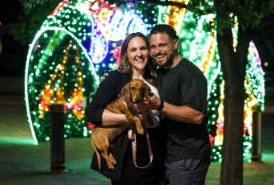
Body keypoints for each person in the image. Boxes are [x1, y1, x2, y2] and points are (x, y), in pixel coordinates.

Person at [85, 32, 164, 185]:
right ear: (126, 54)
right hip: (127, 160)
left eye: (143, 48)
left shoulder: (157, 79)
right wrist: (129, 119)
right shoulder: (116, 78)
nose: (139, 54)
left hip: (155, 160)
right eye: (133, 50)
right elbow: (92, 113)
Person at [148, 24, 211, 185]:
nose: (157, 51)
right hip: (170, 154)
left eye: (162, 45)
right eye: (153, 47)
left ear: (175, 44)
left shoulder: (189, 74)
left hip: (188, 157)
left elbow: (197, 115)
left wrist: (160, 105)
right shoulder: (162, 70)